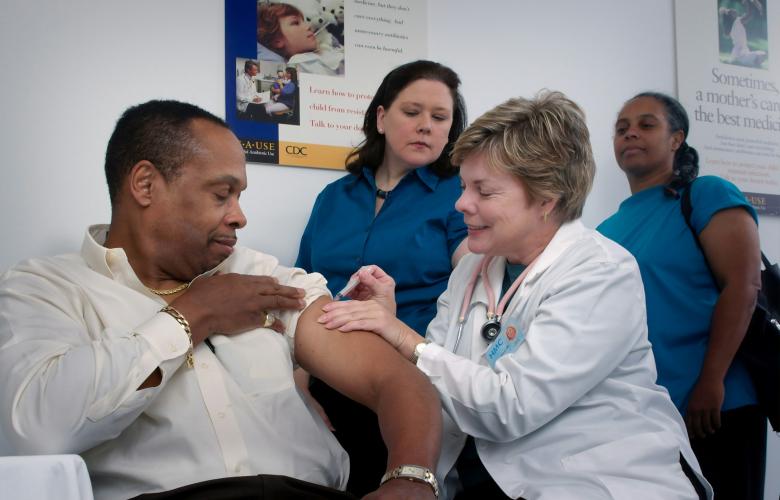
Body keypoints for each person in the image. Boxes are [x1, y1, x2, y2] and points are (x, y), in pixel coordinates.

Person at [0, 100, 443, 500]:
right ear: (145, 185)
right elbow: (40, 429)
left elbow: (395, 380)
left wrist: (411, 478)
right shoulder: (46, 289)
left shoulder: (261, 276)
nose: (239, 215)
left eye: (240, 195)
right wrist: (193, 315)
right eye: (221, 194)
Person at [319, 90, 712, 499]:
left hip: (595, 481)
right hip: (483, 478)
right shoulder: (475, 266)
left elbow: (510, 408)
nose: (461, 204)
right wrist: (389, 329)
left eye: (483, 192)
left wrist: (404, 337)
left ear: (546, 198)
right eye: (464, 186)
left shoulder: (600, 271)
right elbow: (433, 380)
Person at [295, 59, 469, 496]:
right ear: (381, 117)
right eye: (412, 112)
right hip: (327, 375)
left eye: (439, 117)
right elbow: (301, 292)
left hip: (413, 381)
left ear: (451, 130)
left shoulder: (462, 196)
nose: (425, 126)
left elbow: (476, 288)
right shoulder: (334, 197)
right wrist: (298, 380)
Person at [598, 92, 764, 500]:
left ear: (677, 139)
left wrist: (711, 381)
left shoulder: (706, 194)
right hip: (645, 415)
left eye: (646, 124)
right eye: (621, 128)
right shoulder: (604, 230)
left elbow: (743, 287)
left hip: (715, 406)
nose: (630, 133)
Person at [257, 2, 344, 77]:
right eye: (296, 23)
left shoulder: (319, 53)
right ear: (277, 41)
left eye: (304, 21)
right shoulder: (300, 63)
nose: (309, 26)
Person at [719, 0, 767, 67]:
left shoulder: (732, 26)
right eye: (731, 11)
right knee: (763, 55)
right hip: (741, 54)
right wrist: (748, 2)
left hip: (740, 52)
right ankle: (747, 62)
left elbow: (749, 15)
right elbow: (750, 14)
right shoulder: (737, 22)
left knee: (762, 55)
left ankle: (747, 62)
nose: (734, 10)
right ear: (731, 16)